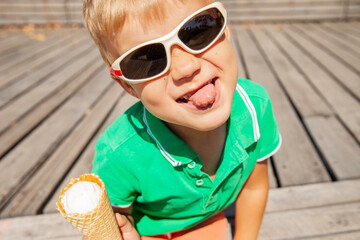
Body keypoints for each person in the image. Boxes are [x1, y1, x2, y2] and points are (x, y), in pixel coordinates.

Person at [82, 0, 281, 239]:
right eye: (146, 58)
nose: (185, 67)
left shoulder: (254, 108)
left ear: (225, 29)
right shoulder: (120, 154)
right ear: (127, 85)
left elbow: (253, 186)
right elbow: (113, 225)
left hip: (211, 221)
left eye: (198, 29)